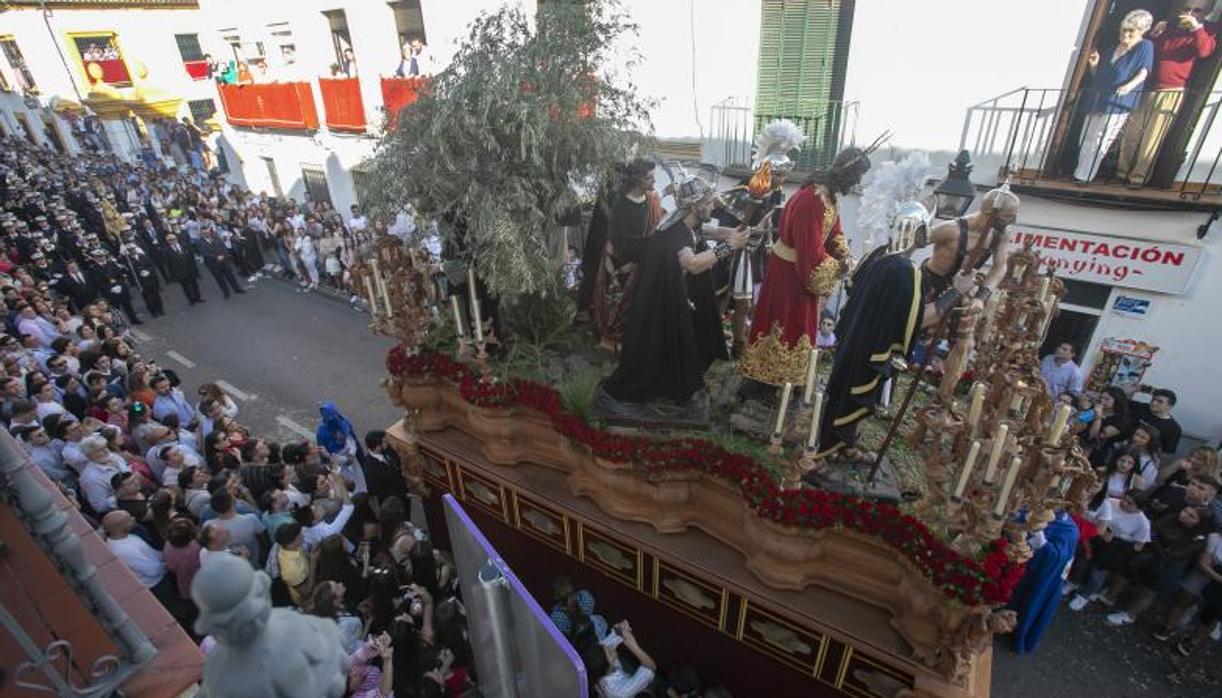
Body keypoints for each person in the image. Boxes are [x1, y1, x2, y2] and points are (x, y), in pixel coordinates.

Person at [598, 174, 748, 413]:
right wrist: (730, 246)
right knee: (650, 360)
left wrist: (741, 232)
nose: (713, 206)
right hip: (657, 308)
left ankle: (670, 388)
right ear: (696, 206)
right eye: (709, 202)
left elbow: (710, 232)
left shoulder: (684, 224)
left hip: (666, 301)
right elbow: (693, 264)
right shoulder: (677, 233)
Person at [741, 146, 869, 388]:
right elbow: (810, 251)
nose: (858, 183)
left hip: (798, 272)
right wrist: (838, 268)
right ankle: (768, 381)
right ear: (848, 174)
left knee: (794, 328)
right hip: (791, 276)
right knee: (784, 326)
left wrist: (844, 254)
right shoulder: (813, 199)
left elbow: (834, 232)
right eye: (858, 177)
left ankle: (786, 379)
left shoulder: (829, 196)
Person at [1116, 3, 1216, 188]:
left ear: (1208, 11)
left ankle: (1138, 178)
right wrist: (1154, 35)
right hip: (1147, 87)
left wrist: (1196, 28)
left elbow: (1205, 51)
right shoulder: (1167, 27)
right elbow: (1148, 52)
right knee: (1131, 132)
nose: (1189, 13)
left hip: (1173, 90)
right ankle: (1121, 173)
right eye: (1186, 9)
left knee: (1152, 138)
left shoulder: (1208, 30)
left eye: (1197, 10)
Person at [1073, 10, 1155, 183]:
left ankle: (1083, 177)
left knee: (1100, 140)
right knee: (1086, 137)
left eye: (1131, 31)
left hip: (1118, 102)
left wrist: (1129, 86)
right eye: (1124, 30)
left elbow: (1144, 72)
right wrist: (1094, 65)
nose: (1126, 34)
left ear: (1141, 31)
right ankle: (1079, 173)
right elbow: (1099, 76)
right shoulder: (1111, 50)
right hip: (1098, 99)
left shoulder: (1144, 47)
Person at [590, 159, 663, 347]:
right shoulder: (621, 204)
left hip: (640, 257)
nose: (653, 182)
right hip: (619, 259)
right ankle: (609, 339)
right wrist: (635, 258)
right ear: (637, 180)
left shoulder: (650, 200)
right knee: (615, 300)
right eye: (649, 178)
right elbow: (619, 238)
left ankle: (626, 340)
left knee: (633, 302)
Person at [1067, 490, 1152, 611]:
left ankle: (1084, 595)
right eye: (1124, 499)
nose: (1124, 503)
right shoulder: (1111, 503)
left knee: (1097, 574)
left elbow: (1139, 546)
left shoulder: (1143, 524)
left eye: (1130, 503)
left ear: (1140, 508)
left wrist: (1119, 539)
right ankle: (1073, 581)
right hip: (1097, 538)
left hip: (1114, 549)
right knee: (1082, 562)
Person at [580, 619, 657, 698]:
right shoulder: (620, 691)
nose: (610, 647)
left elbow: (613, 637)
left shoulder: (600, 654)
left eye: (605, 647)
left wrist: (621, 627)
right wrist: (634, 647)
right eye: (610, 652)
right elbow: (651, 667)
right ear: (608, 667)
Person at [197, 224, 245, 299]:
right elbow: (204, 253)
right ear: (201, 233)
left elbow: (223, 246)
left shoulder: (216, 237)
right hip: (213, 264)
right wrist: (216, 257)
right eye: (205, 233)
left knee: (230, 276)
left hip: (224, 261)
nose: (207, 234)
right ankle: (226, 293)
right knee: (219, 279)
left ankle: (237, 289)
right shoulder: (199, 242)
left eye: (208, 232)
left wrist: (224, 255)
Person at [1130, 387, 1182, 455]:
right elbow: (1120, 400)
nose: (1154, 403)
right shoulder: (1142, 407)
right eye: (1153, 399)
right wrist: (1140, 389)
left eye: (1160, 401)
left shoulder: (1174, 428)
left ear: (1169, 406)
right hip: (1123, 446)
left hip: (1145, 456)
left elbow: (1166, 452)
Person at [163, 232, 204, 305]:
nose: (174, 241)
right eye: (171, 240)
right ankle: (191, 300)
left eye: (175, 239)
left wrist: (195, 269)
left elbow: (191, 257)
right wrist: (173, 276)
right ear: (168, 241)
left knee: (194, 284)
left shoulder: (184, 245)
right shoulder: (166, 251)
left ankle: (198, 297)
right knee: (186, 287)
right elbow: (168, 264)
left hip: (190, 269)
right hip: (180, 272)